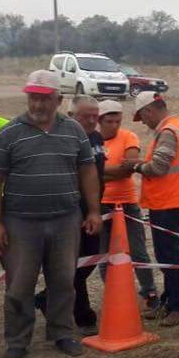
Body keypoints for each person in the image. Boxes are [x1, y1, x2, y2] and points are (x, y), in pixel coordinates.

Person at [0, 70, 103, 358]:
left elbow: (87, 171)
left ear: (59, 99)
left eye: (45, 99)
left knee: (64, 281)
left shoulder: (74, 131)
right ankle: (17, 341)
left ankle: (62, 333)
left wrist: (93, 210)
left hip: (66, 219)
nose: (38, 105)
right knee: (19, 284)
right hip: (20, 222)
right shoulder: (10, 133)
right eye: (33, 98)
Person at [33, 95, 106, 336]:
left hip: (92, 209)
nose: (93, 121)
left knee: (89, 260)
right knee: (73, 263)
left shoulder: (95, 138)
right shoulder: (58, 139)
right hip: (66, 212)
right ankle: (84, 317)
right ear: (72, 115)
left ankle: (48, 297)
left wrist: (95, 208)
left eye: (96, 116)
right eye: (87, 116)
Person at [130, 92, 179, 327]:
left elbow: (157, 167)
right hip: (175, 200)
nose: (144, 123)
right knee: (168, 256)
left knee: (169, 258)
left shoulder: (168, 132)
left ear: (149, 110)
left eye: (143, 117)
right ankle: (170, 303)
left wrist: (136, 165)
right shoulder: (175, 126)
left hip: (170, 203)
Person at [96, 99, 158, 310]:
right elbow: (83, 170)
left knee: (138, 251)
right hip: (101, 205)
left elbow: (129, 168)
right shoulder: (93, 140)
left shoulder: (129, 137)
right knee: (104, 254)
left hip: (127, 204)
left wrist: (97, 172)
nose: (114, 125)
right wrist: (102, 172)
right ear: (99, 120)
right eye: (109, 121)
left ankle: (149, 292)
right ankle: (114, 295)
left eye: (118, 121)